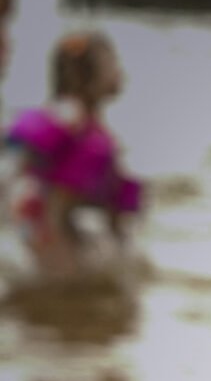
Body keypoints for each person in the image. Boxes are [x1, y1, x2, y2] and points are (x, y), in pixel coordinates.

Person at [5, 32, 143, 279]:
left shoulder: (85, 128)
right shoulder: (70, 118)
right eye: (112, 65)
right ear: (88, 76)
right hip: (44, 227)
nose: (119, 74)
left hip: (46, 225)